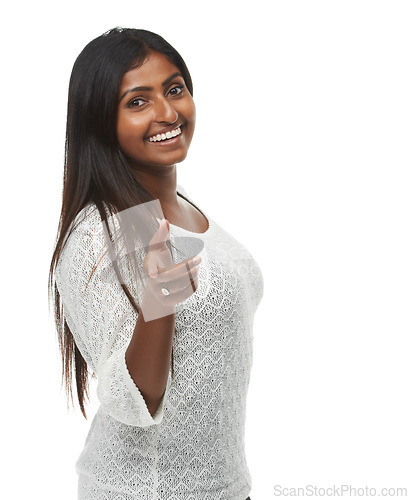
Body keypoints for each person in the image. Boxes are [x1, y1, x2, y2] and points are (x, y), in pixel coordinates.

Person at [48, 27, 263, 500]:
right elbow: (131, 401)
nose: (168, 113)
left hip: (223, 486)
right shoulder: (96, 233)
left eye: (174, 89)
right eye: (137, 101)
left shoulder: (187, 207)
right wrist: (159, 302)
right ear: (100, 121)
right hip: (144, 489)